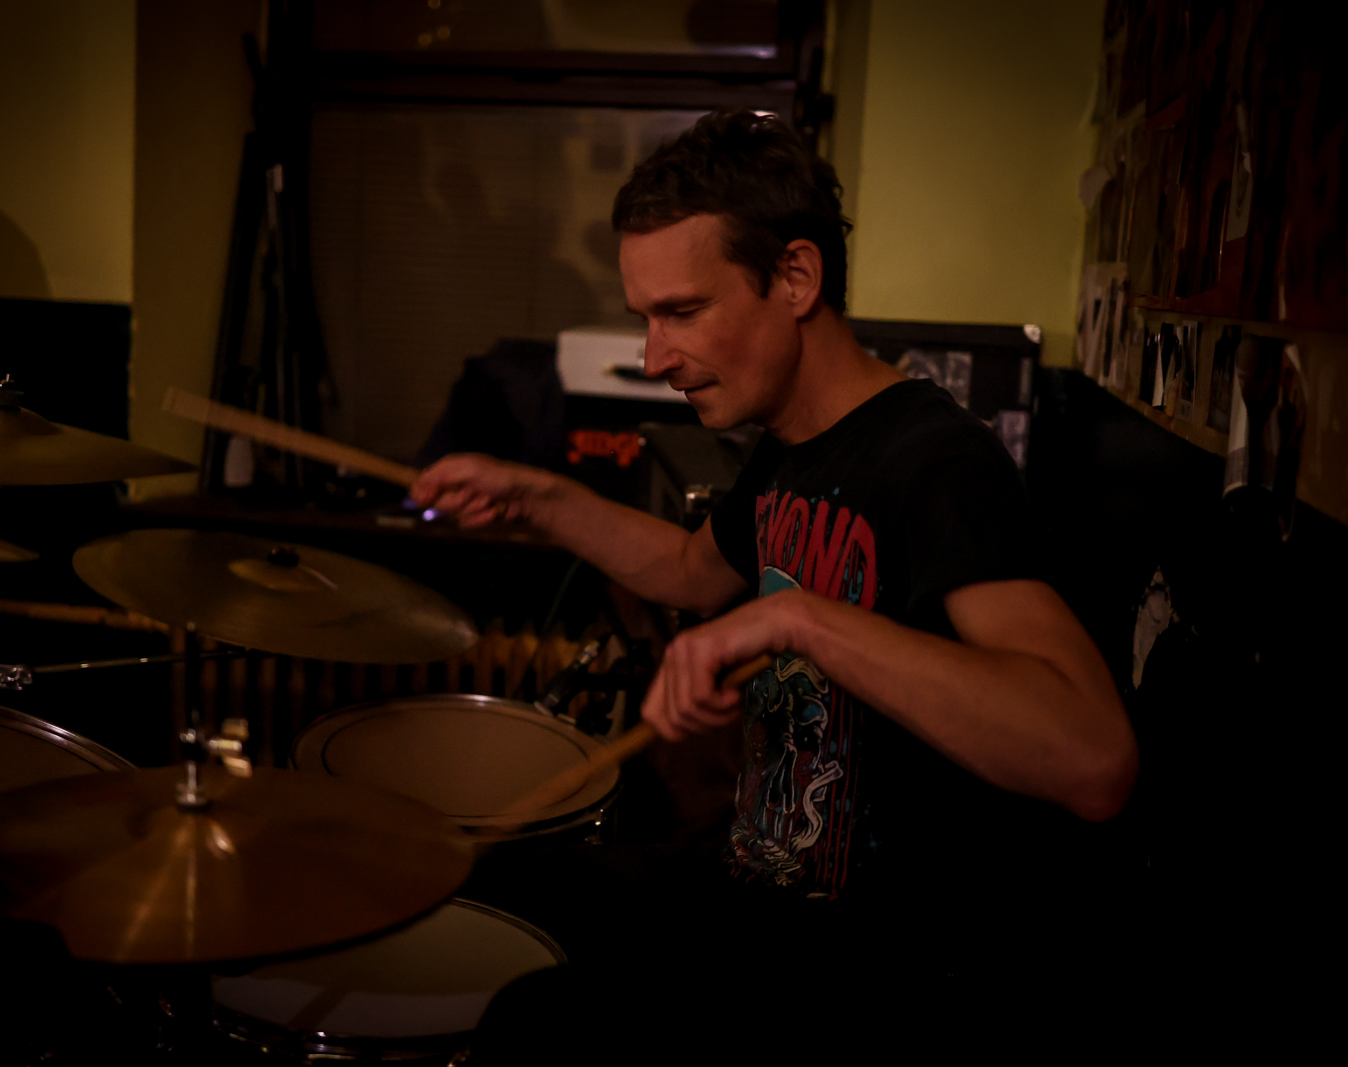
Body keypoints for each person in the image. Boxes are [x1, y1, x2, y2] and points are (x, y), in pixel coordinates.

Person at [411, 110, 1140, 1058]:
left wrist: (804, 620)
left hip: (865, 966)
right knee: (474, 887)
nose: (654, 358)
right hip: (752, 881)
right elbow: (690, 571)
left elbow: (1093, 758)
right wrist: (537, 497)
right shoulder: (793, 445)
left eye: (682, 312)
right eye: (644, 318)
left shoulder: (939, 463)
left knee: (530, 1025)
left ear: (796, 277)